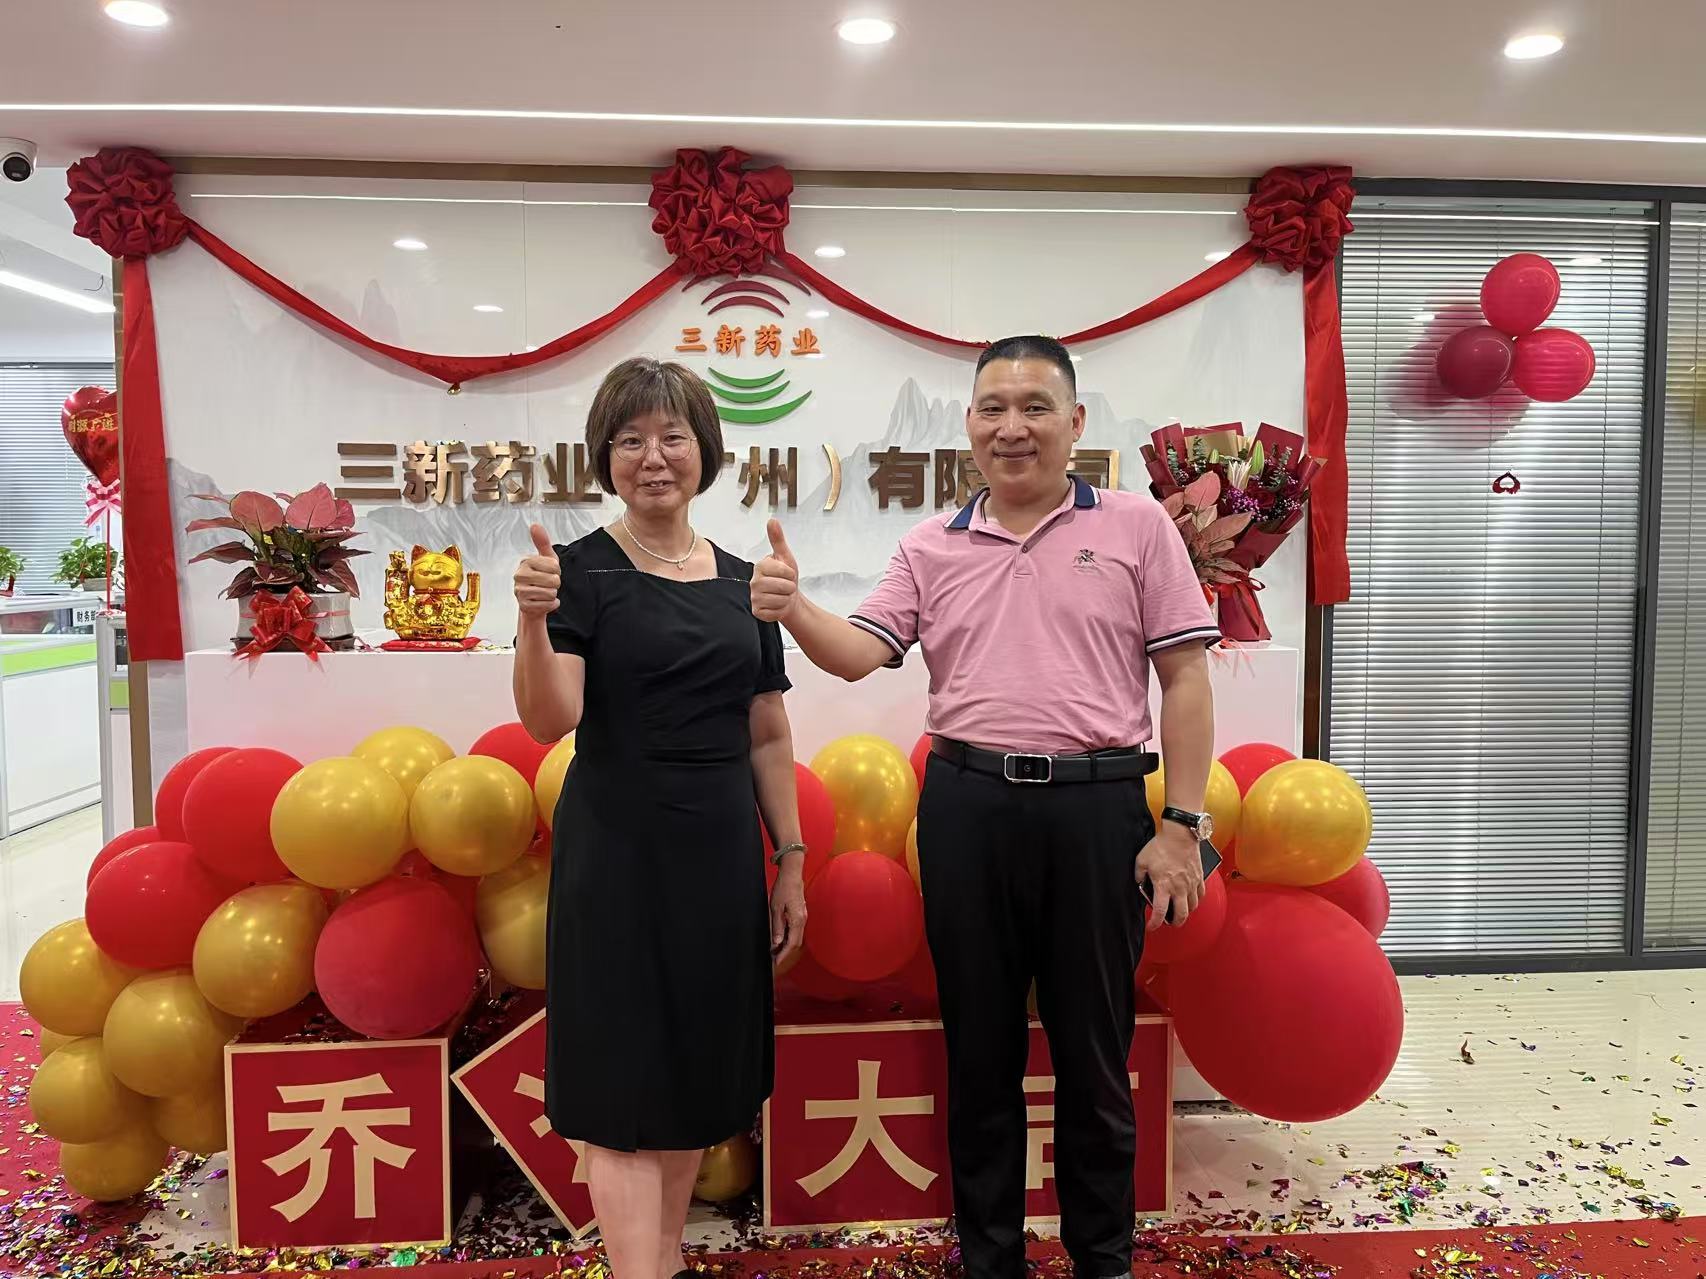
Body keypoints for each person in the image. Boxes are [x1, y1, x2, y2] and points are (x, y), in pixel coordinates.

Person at [751, 335, 1217, 1279]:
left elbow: (1185, 677)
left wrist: (1182, 824)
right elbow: (858, 653)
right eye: (993, 408)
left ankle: (1103, 1261)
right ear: (968, 425)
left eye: (1035, 407)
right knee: (980, 1055)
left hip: (1097, 813)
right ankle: (990, 1261)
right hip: (966, 811)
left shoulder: (1136, 526)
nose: (1013, 427)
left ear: (1074, 423)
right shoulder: (932, 544)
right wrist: (794, 606)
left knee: (1095, 1059)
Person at [512, 357, 809, 1279]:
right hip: (618, 856)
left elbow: (767, 732)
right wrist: (533, 621)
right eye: (630, 439)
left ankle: (665, 1259)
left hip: (718, 858)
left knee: (691, 1076)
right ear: (605, 456)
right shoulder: (578, 572)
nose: (653, 457)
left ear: (703, 450)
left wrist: (791, 857)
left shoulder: (744, 582)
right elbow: (550, 718)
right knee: (621, 1083)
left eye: (672, 436)